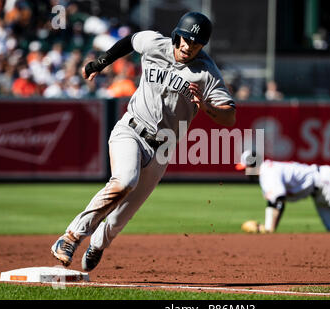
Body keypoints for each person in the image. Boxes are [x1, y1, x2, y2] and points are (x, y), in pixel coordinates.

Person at [51, 12, 236, 271]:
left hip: (162, 149)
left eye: (195, 43)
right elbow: (130, 41)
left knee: (120, 218)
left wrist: (206, 107)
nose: (187, 46)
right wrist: (101, 62)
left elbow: (229, 116)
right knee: (125, 180)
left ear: (202, 45)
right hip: (132, 129)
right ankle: (70, 237)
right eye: (184, 38)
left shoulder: (206, 72)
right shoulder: (155, 44)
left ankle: (98, 244)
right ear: (176, 34)